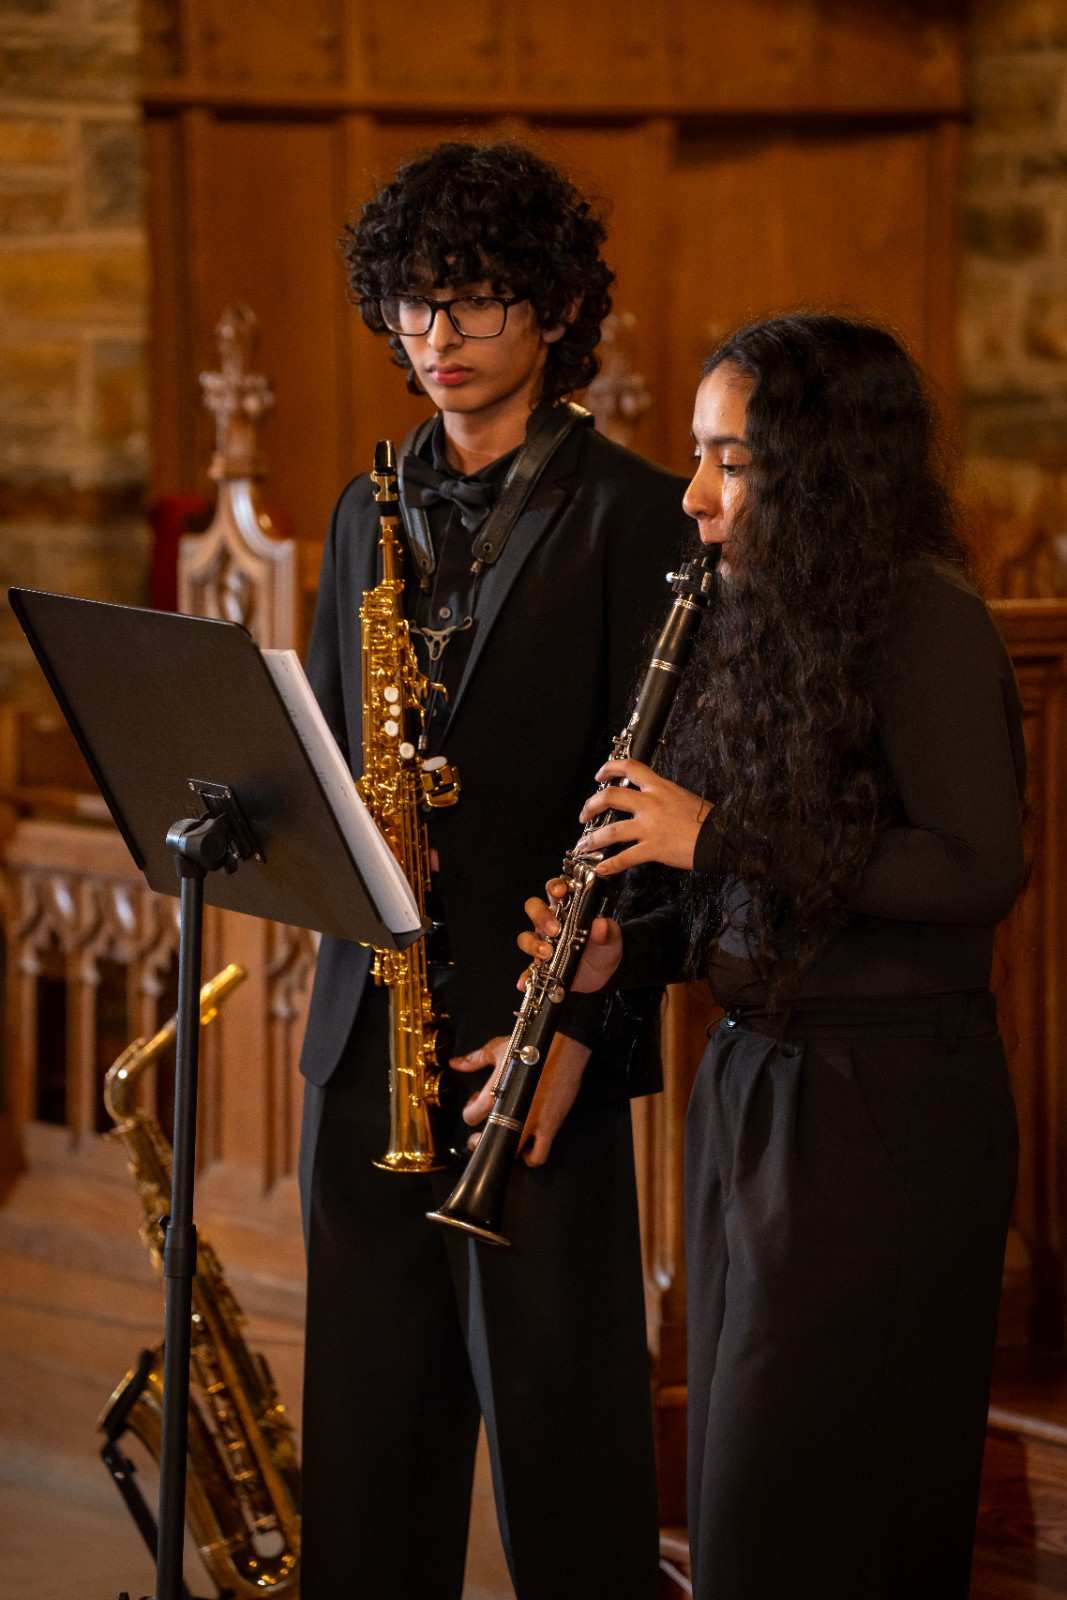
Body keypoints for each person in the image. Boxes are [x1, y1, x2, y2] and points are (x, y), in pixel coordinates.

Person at [518, 314, 1026, 1598]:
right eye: (697, 456)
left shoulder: (926, 617)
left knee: (806, 1517)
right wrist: (616, 959)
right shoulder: (761, 623)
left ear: (824, 470)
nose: (692, 497)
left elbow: (970, 868)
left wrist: (715, 831)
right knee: (746, 1509)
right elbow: (745, 900)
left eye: (728, 462)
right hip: (753, 1092)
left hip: (882, 1112)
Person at [298, 140, 691, 1600]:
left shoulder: (637, 514)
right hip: (365, 1035)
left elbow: (658, 806)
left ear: (553, 308)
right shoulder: (364, 509)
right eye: (411, 305)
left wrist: (581, 1028)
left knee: (562, 1454)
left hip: (528, 1052)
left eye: (470, 303)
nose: (437, 341)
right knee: (361, 1451)